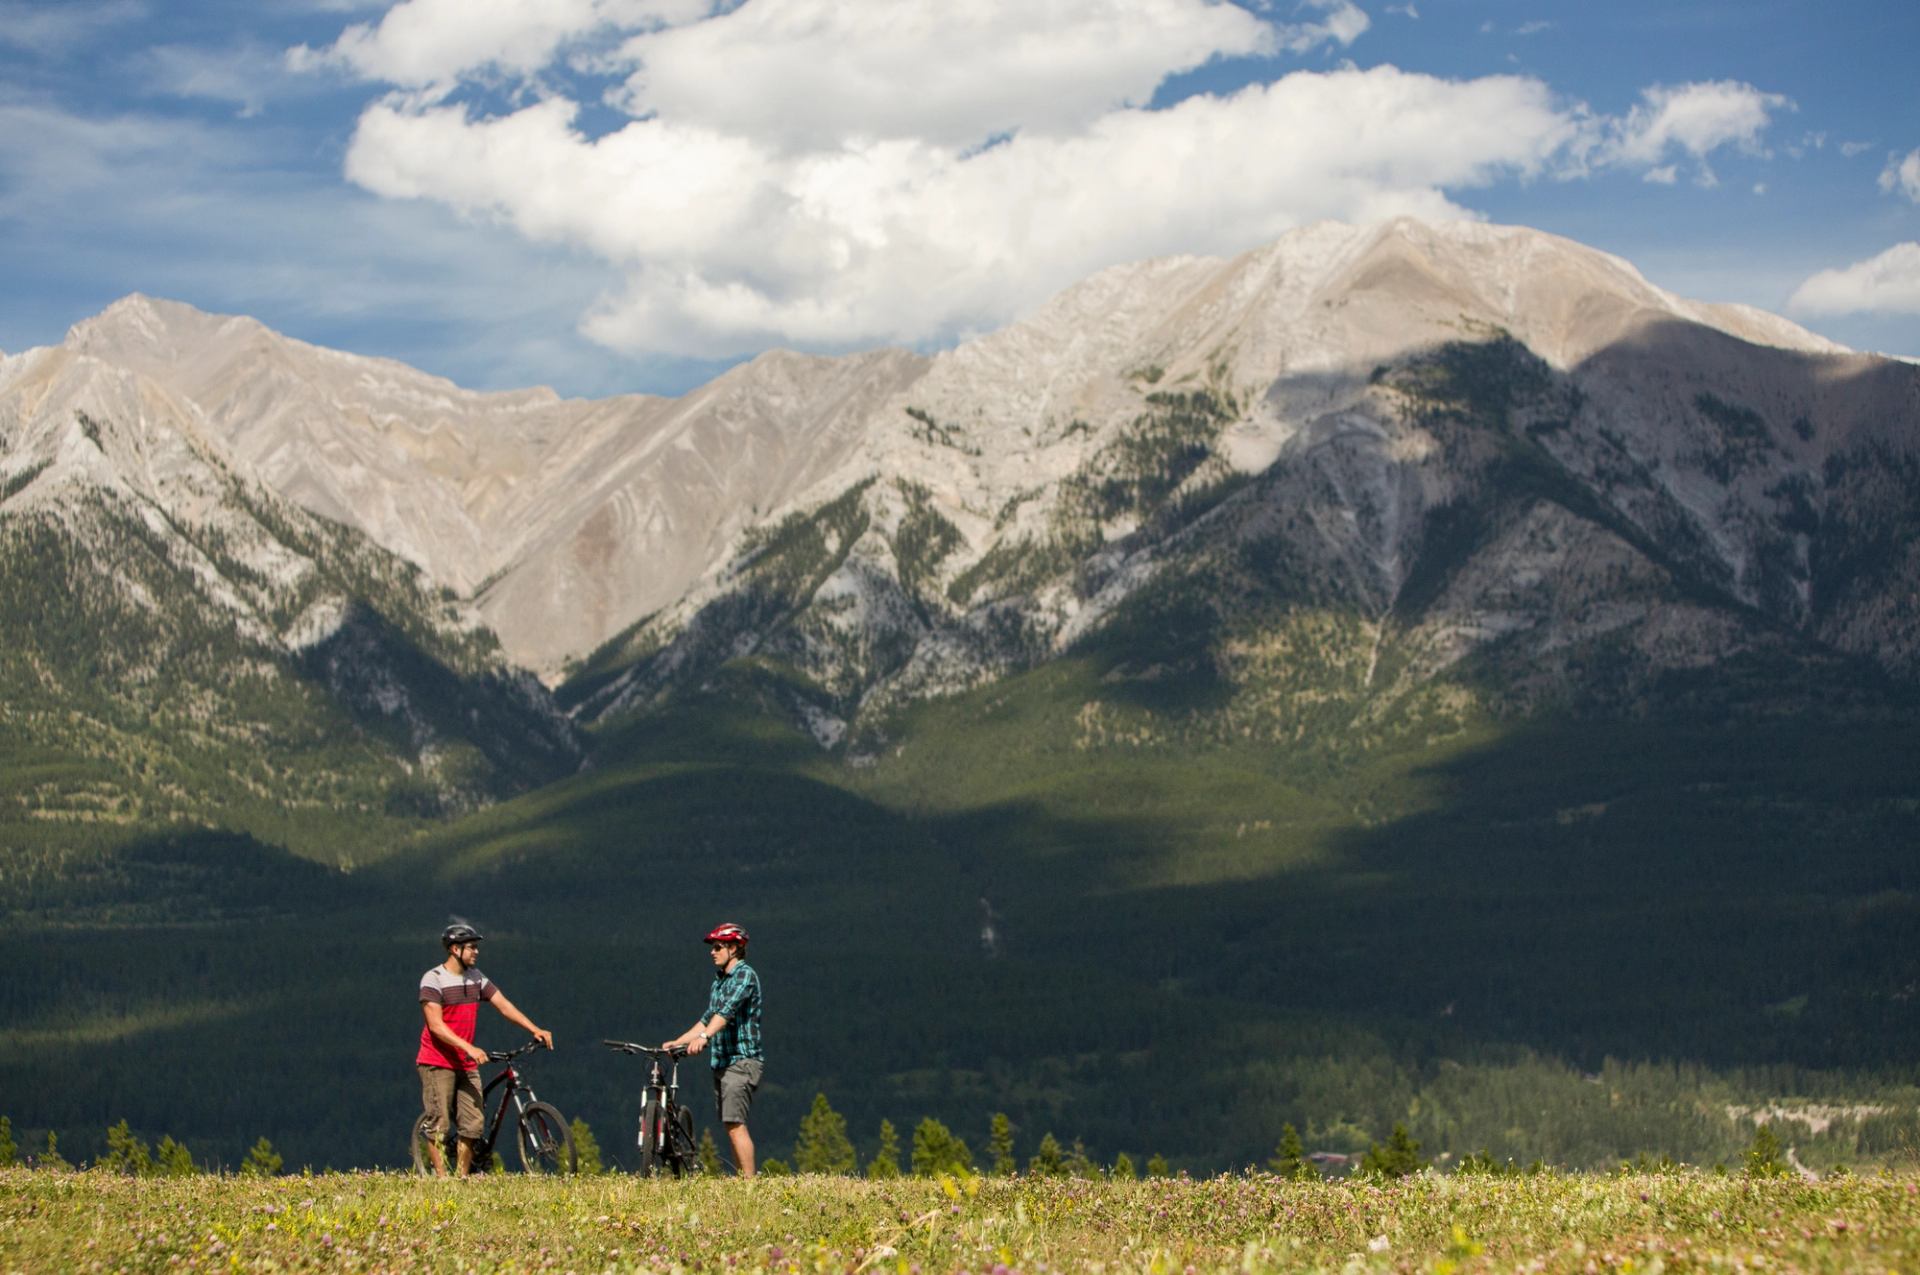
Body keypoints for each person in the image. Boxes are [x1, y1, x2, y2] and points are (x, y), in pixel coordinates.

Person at [416, 922, 553, 1178]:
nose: (476, 952)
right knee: (439, 1123)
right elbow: (435, 1026)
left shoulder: (476, 978)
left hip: (466, 1064)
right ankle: (441, 1180)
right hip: (437, 1062)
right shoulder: (433, 979)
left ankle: (462, 1177)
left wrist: (534, 1028)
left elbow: (503, 1005)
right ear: (455, 949)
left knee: (473, 1123)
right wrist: (468, 1047)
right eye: (472, 947)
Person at [665, 922, 763, 1176]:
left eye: (718, 947)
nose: (712, 951)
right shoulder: (719, 981)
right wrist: (679, 1042)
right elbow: (707, 1019)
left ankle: (750, 1186)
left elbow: (725, 1013)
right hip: (722, 1063)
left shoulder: (744, 976)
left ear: (734, 948)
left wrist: (705, 1037)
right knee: (730, 1124)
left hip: (741, 1061)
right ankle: (740, 1180)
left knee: (735, 1124)